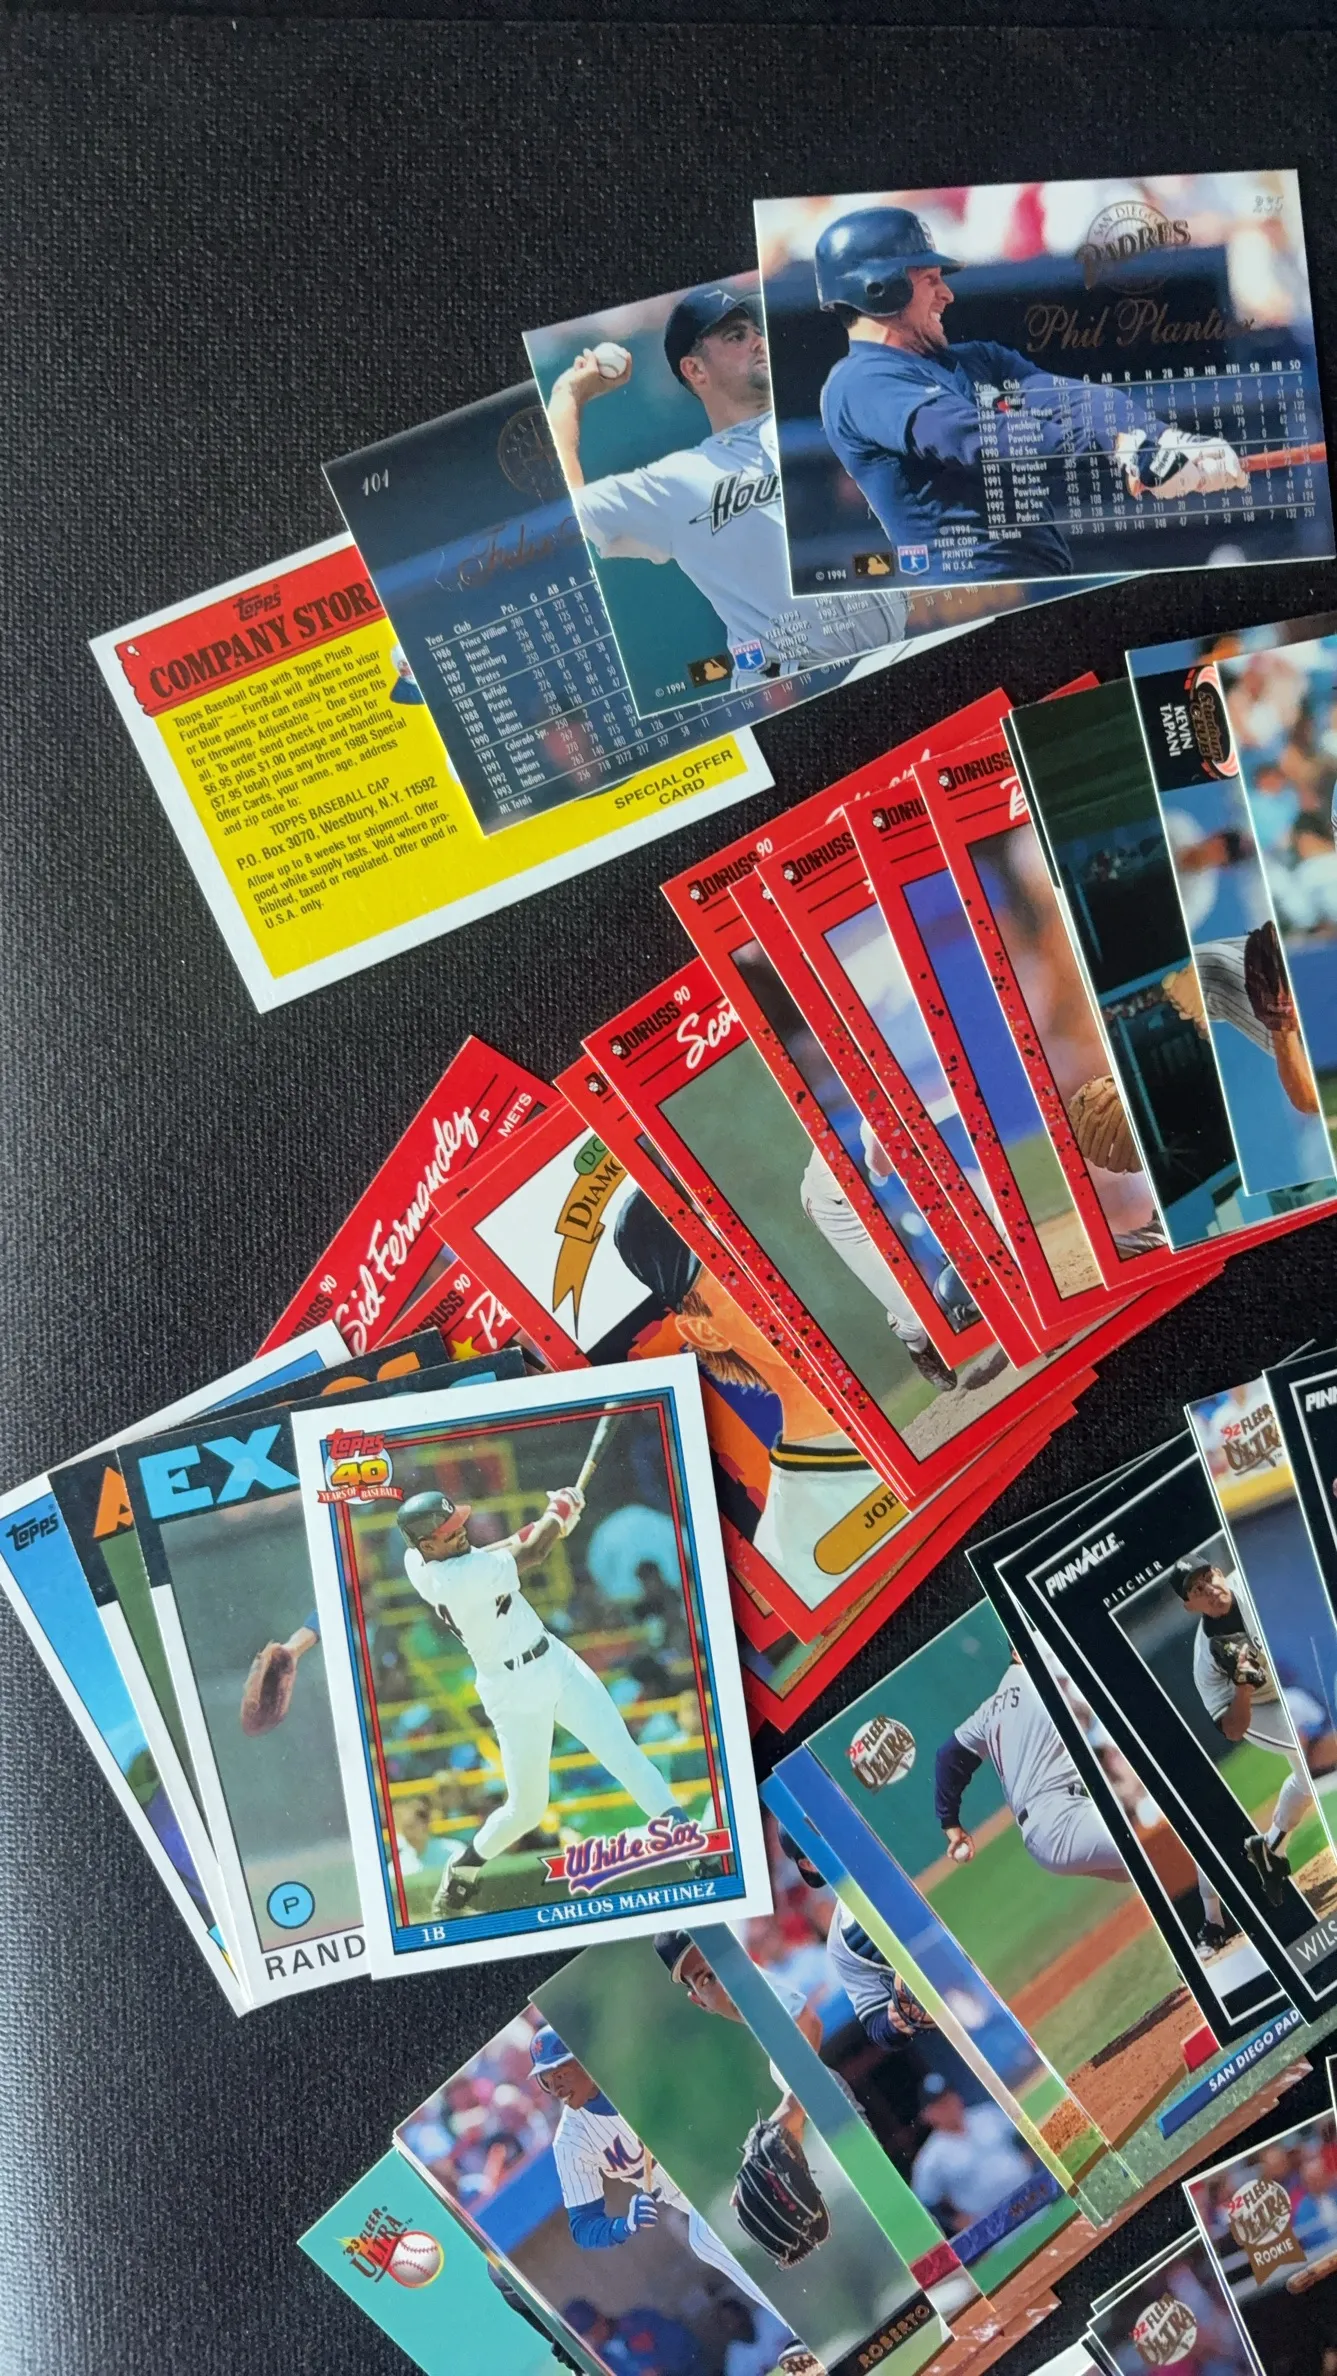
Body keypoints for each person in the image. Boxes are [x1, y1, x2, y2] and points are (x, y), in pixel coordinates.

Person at [811, 206, 1246, 581]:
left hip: (1038, 581)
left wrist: (1161, 438)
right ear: (881, 288)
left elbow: (1077, 401)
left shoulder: (980, 360)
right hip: (966, 597)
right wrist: (1120, 446)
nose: (947, 294)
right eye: (930, 280)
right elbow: (972, 437)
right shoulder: (859, 382)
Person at [546, 284, 911, 685]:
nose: (757, 342)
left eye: (757, 332)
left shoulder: (828, 423)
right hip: (790, 688)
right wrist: (567, 397)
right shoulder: (681, 478)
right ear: (695, 370)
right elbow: (570, 516)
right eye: (736, 336)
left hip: (894, 654)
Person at [396, 1484, 686, 1915]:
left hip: (554, 1661)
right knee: (526, 1810)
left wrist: (547, 1524)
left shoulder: (419, 1561)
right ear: (427, 1545)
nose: (461, 1532)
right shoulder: (454, 1578)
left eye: (458, 1524)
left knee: (624, 1755)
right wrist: (557, 1514)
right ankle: (463, 1870)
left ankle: (686, 1841)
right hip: (511, 1692)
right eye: (449, 1531)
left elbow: (497, 1551)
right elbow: (531, 1554)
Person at [528, 2024, 810, 2367]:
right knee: (706, 2238)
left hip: (732, 2163)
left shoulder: (638, 2074)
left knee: (728, 2234)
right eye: (546, 2080)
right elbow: (583, 2226)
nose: (556, 2087)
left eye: (561, 2072)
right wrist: (622, 2225)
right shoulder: (571, 2140)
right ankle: (804, 2330)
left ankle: (814, 2322)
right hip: (691, 2200)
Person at [1171, 1556, 1315, 1904]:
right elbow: (1233, 1729)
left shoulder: (1254, 1581)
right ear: (1190, 1606)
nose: (1208, 1588)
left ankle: (1269, 1848)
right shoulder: (1205, 1660)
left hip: (1294, 1675)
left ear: (1220, 1573)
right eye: (1197, 1589)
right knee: (1316, 1748)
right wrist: (1242, 1688)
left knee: (1306, 1774)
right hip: (1262, 1708)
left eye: (1207, 1577)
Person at [909, 2075, 1034, 2232]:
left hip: (1033, 2196)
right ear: (927, 2115)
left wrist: (1027, 2160)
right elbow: (927, 2202)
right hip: (997, 2226)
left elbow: (1028, 2130)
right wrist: (959, 2222)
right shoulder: (930, 2158)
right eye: (940, 2104)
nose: (948, 2106)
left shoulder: (987, 2115)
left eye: (949, 2098)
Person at [563, 2295, 705, 2376]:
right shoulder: (601, 2363)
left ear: (600, 2317)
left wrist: (661, 2367)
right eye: (586, 2335)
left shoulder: (640, 2321)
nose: (593, 2336)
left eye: (593, 2328)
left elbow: (687, 2345)